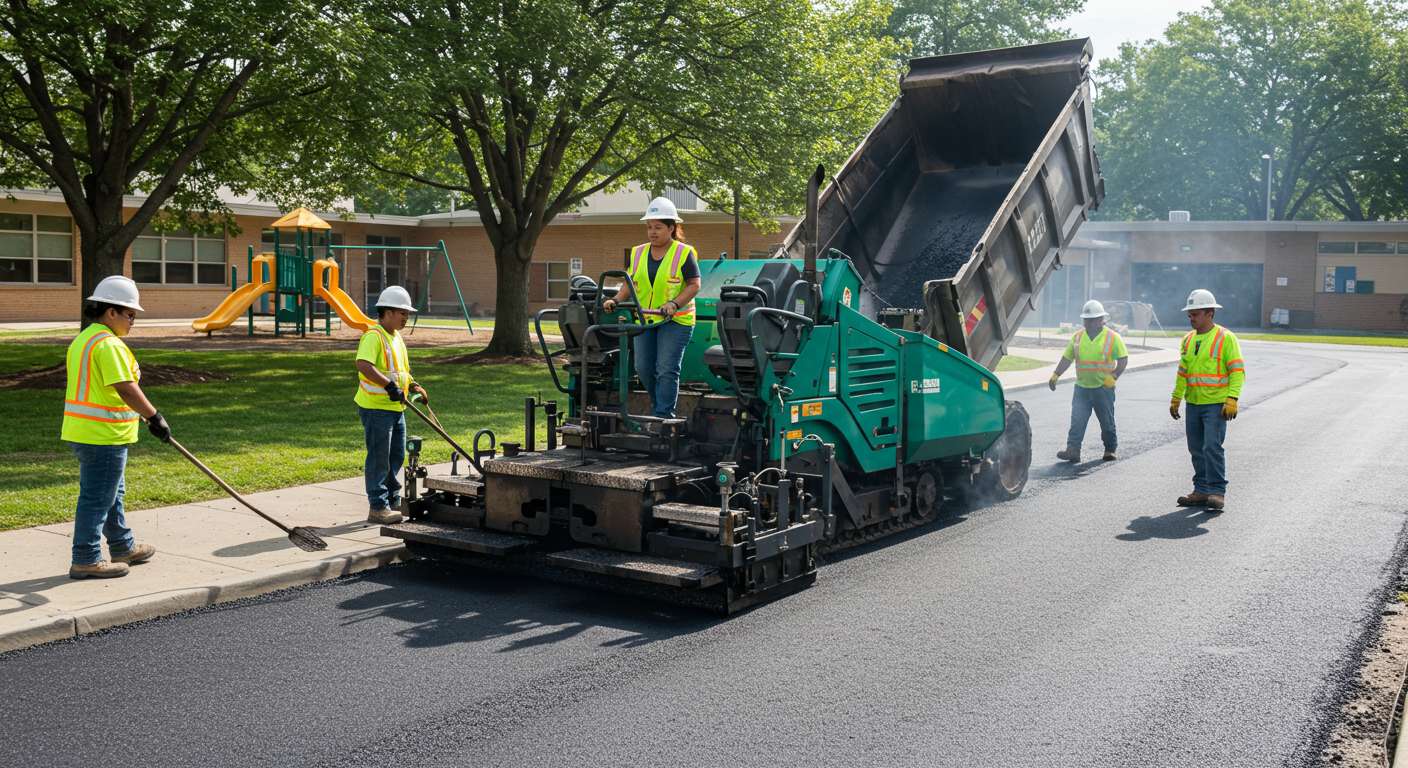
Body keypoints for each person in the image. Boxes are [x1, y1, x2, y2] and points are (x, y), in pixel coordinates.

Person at [62, 276, 165, 579]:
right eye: (130, 314)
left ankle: (122, 545)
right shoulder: (109, 345)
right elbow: (125, 387)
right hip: (102, 435)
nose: (133, 321)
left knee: (111, 493)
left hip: (85, 432)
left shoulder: (85, 339)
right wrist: (154, 416)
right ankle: (86, 558)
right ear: (111, 312)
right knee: (97, 498)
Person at [601, 196, 702, 419]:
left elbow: (694, 285)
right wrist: (616, 300)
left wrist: (674, 304)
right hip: (646, 318)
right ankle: (659, 408)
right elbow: (630, 282)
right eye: (649, 227)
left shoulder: (684, 253)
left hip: (676, 320)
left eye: (658, 227)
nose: (652, 232)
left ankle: (664, 416)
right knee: (643, 368)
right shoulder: (638, 252)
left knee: (666, 368)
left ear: (671, 228)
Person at [354, 286, 428, 524]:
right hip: (376, 407)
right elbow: (363, 364)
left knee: (396, 454)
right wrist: (388, 386)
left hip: (397, 407)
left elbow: (401, 370)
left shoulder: (396, 338)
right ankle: (377, 506)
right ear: (386, 312)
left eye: (407, 313)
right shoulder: (373, 336)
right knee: (379, 457)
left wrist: (414, 385)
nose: (406, 317)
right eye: (402, 312)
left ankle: (393, 498)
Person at [1169, 288, 1245, 511]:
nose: (1190, 318)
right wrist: (1176, 398)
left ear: (1210, 313)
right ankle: (1201, 490)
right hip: (1193, 403)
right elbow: (1183, 372)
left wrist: (1232, 398)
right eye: (1189, 314)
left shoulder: (1226, 338)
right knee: (1196, 448)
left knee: (1212, 446)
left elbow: (1237, 371)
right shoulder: (1187, 340)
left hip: (1216, 405)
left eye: (1195, 314)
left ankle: (1216, 492)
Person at [1048, 300, 1128, 462]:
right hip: (1082, 387)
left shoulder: (1112, 337)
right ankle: (1073, 450)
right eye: (1086, 319)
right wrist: (1056, 374)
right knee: (1077, 421)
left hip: (1103, 388)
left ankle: (1110, 449)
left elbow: (1123, 359)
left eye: (1093, 319)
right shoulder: (1077, 337)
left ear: (1101, 320)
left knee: (1106, 421)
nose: (1089, 323)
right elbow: (1067, 358)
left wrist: (1113, 377)